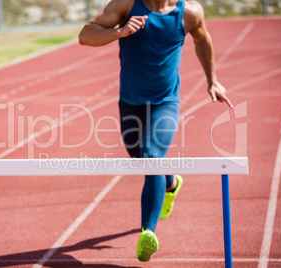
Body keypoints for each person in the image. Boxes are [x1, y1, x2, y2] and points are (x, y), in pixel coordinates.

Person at [79, 0, 233, 262]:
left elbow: (202, 40)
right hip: (130, 101)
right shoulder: (126, 5)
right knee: (140, 159)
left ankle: (147, 232)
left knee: (151, 156)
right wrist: (119, 32)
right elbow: (85, 36)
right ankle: (171, 182)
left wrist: (212, 79)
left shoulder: (189, 12)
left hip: (166, 102)